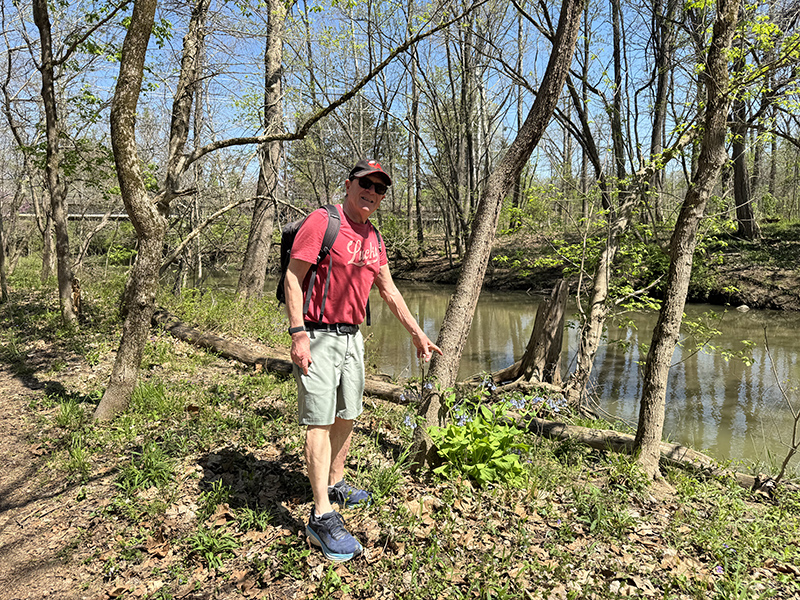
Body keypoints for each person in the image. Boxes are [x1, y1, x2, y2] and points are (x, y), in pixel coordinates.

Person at [283, 158, 442, 562]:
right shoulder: (323, 221)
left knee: (348, 414)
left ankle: (335, 482)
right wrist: (298, 334)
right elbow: (292, 277)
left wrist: (417, 332)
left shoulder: (373, 237)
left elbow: (389, 290)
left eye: (380, 188)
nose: (372, 192)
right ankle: (321, 516)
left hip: (352, 337)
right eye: (365, 184)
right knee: (319, 420)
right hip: (317, 335)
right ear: (350, 185)